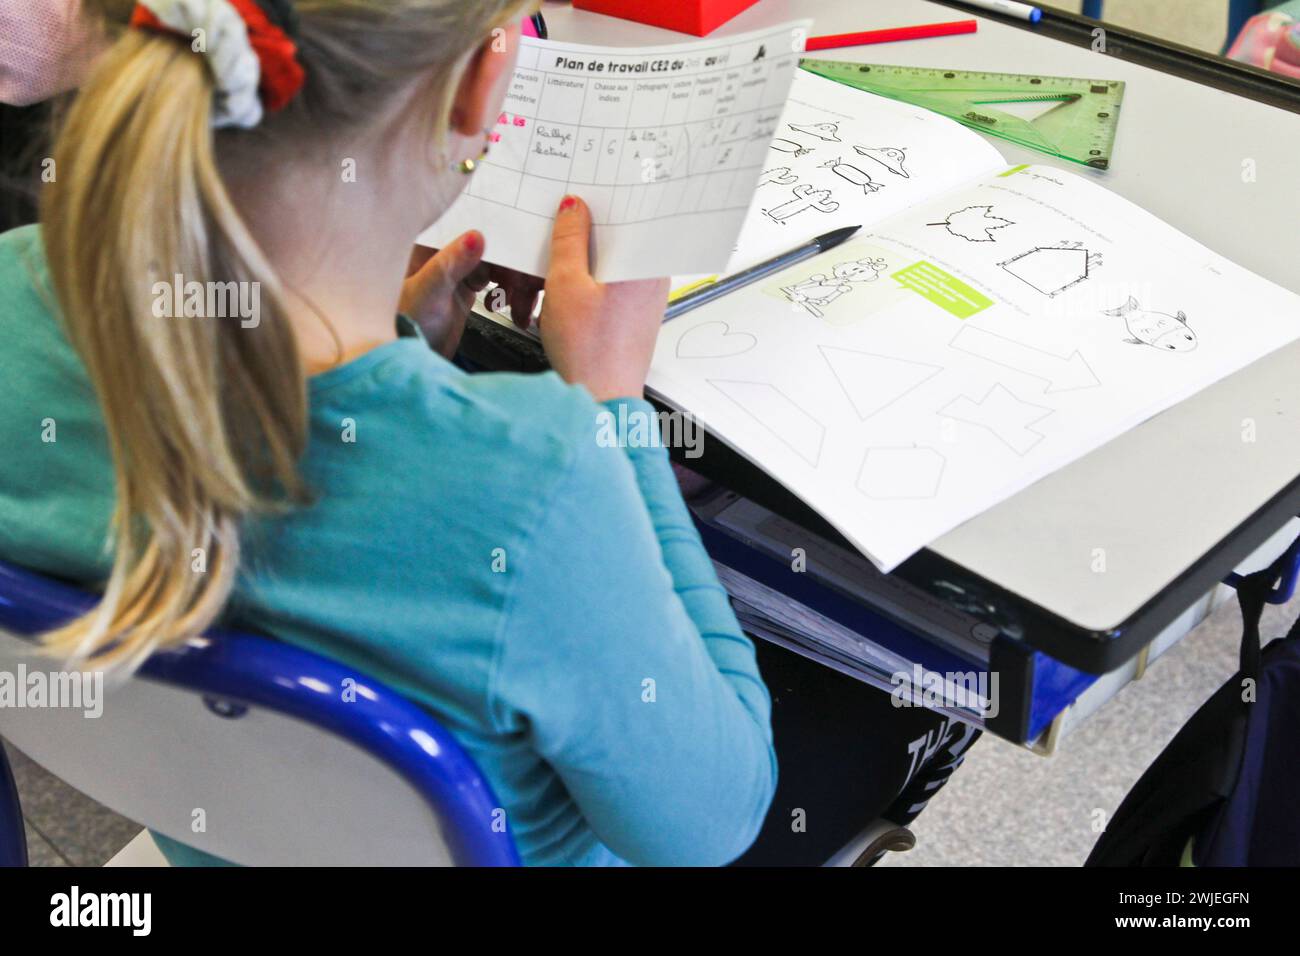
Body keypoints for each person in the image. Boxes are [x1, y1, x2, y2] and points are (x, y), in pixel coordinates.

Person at [0, 0, 777, 866]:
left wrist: (399, 352)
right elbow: (714, 824)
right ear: (486, 81)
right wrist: (612, 412)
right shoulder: (537, 481)